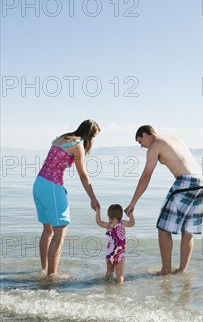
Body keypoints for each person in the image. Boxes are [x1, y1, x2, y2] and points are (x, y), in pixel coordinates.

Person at [125, 125, 203, 275]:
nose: (142, 146)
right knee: (188, 229)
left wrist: (133, 203)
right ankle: (182, 271)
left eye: (140, 142)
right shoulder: (174, 138)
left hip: (186, 182)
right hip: (201, 182)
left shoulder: (155, 146)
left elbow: (146, 176)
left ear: (145, 134)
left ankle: (166, 270)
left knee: (163, 227)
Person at [32, 119, 101, 278]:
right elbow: (83, 175)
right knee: (60, 232)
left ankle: (45, 270)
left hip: (38, 184)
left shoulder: (61, 138)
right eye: (94, 137)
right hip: (52, 187)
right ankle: (52, 276)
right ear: (89, 135)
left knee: (47, 230)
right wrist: (93, 198)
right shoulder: (77, 145)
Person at [95, 204, 135, 284]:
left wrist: (97, 211)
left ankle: (107, 285)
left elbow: (98, 222)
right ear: (120, 216)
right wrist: (131, 214)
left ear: (108, 215)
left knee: (109, 272)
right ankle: (118, 291)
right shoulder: (122, 223)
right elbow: (132, 223)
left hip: (110, 254)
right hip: (119, 254)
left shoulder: (108, 225)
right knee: (119, 275)